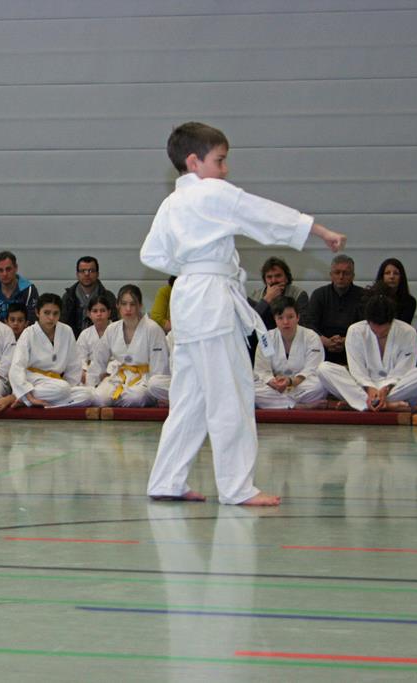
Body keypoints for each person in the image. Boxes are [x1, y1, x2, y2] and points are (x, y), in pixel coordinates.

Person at [140, 121, 346, 507]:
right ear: (194, 162)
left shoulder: (171, 203)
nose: (225, 169)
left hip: (188, 298)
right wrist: (318, 231)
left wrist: (192, 264)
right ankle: (237, 487)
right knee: (231, 394)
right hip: (212, 301)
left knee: (190, 398)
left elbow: (151, 254)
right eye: (219, 160)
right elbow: (263, 214)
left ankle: (167, 480)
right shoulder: (212, 192)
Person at [317, 294, 417, 412]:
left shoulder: (408, 332)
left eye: (384, 332)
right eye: (374, 331)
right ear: (368, 321)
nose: (379, 334)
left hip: (395, 388)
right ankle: (388, 406)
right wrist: (369, 387)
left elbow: (404, 369)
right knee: (324, 369)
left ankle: (362, 404)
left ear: (392, 321)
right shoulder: (355, 331)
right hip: (363, 388)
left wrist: (386, 388)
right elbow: (357, 369)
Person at [0, 292, 94, 412]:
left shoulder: (66, 331)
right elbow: (17, 367)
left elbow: (74, 366)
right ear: (37, 312)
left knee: (88, 395)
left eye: (55, 313)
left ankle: (24, 400)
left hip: (56, 384)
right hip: (32, 379)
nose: (51, 317)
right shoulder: (28, 333)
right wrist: (25, 390)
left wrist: (68, 387)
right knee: (62, 389)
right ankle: (24, 396)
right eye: (46, 313)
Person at [89, 285, 170, 407]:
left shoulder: (153, 329)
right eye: (124, 304)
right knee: (99, 399)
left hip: (144, 379)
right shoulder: (112, 329)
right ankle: (118, 399)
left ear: (140, 306)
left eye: (132, 304)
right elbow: (98, 360)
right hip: (119, 377)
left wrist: (156, 392)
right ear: (118, 305)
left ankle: (124, 400)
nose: (128, 309)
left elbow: (160, 367)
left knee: (135, 398)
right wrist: (92, 384)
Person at [252, 296, 327, 409]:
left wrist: (291, 381)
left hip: (301, 385)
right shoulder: (266, 339)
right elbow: (262, 370)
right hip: (277, 387)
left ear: (298, 317)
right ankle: (299, 406)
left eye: (290, 317)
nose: (285, 322)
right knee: (251, 388)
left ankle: (281, 403)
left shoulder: (311, 336)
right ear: (275, 319)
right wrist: (273, 383)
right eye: (280, 318)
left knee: (319, 385)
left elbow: (312, 369)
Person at [303, 254, 366, 365]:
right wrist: (326, 341)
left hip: (354, 347)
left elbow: (366, 326)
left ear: (353, 276)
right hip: (322, 346)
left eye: (346, 273)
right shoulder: (319, 294)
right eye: (337, 272)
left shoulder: (363, 296)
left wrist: (346, 340)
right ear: (331, 275)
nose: (341, 277)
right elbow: (309, 324)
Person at [248, 257, 308, 330]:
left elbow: (303, 325)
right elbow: (250, 324)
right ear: (265, 280)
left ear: (286, 278)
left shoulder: (298, 294)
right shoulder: (254, 296)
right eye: (269, 277)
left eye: (278, 276)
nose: (274, 280)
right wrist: (267, 299)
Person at [61, 256, 115, 337]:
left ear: (97, 274)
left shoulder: (108, 297)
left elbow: (114, 324)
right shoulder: (68, 297)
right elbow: (62, 324)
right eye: (83, 271)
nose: (87, 274)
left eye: (91, 271)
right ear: (77, 274)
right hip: (72, 341)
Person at [75, 292, 115, 385]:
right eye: (95, 311)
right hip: (89, 375)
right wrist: (83, 370)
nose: (99, 314)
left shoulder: (117, 331)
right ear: (89, 314)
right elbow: (80, 357)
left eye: (102, 310)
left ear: (109, 312)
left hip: (112, 374)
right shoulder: (85, 334)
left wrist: (109, 372)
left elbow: (120, 357)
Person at [0, 251, 39, 322]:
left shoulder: (29, 290)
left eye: (8, 269)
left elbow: (32, 320)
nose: (4, 274)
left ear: (16, 268)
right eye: (0, 270)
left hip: (24, 329)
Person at [368, 257, 416, 324]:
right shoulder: (370, 298)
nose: (392, 277)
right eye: (387, 273)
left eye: (396, 273)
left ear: (401, 277)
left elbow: (404, 325)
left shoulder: (410, 302)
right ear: (382, 276)